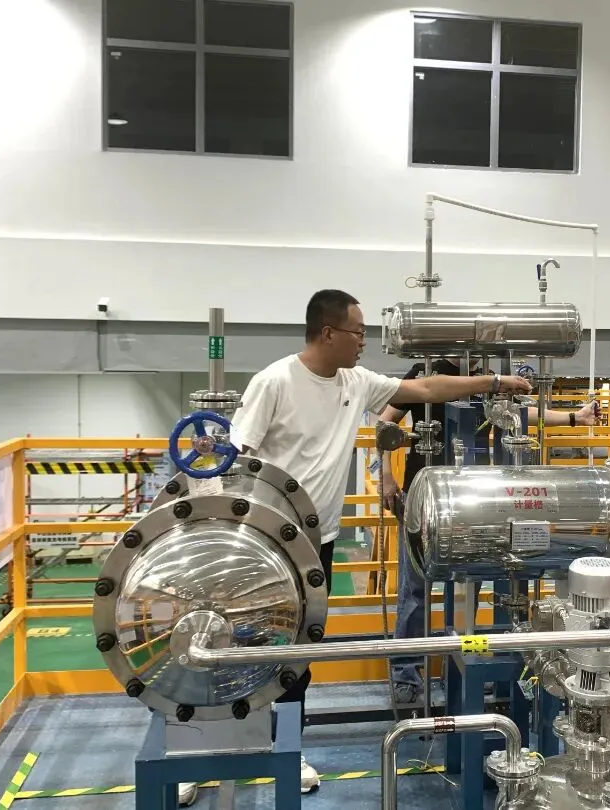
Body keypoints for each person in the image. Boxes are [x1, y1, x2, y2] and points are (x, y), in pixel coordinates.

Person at [224, 289, 532, 795]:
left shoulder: (355, 382)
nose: (363, 342)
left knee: (298, 649)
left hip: (316, 542)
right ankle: (213, 747)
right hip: (267, 542)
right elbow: (236, 457)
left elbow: (426, 387)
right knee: (243, 640)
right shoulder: (274, 381)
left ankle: (286, 750)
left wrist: (494, 381)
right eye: (359, 333)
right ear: (328, 333)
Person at [377, 358, 601, 703]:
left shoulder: (487, 378)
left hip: (474, 505)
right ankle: (405, 671)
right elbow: (385, 420)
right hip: (424, 500)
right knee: (415, 591)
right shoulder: (426, 371)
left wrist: (575, 417)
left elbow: (518, 416)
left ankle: (463, 660)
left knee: (470, 586)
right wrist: (386, 476)